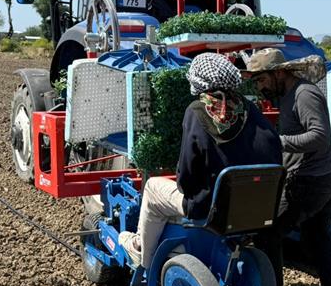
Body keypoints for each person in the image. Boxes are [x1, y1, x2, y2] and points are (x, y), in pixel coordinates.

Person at [119, 53, 283, 270]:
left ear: (198, 79)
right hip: (257, 207)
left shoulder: (197, 111)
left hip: (212, 210)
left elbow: (185, 180)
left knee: (152, 188)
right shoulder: (250, 108)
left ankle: (142, 256)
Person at [243, 48, 331, 286]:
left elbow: (320, 136)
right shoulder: (289, 95)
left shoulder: (304, 94)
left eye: (262, 80)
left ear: (279, 73)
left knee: (267, 233)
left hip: (310, 181)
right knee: (318, 241)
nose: (260, 87)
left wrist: (278, 141)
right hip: (320, 179)